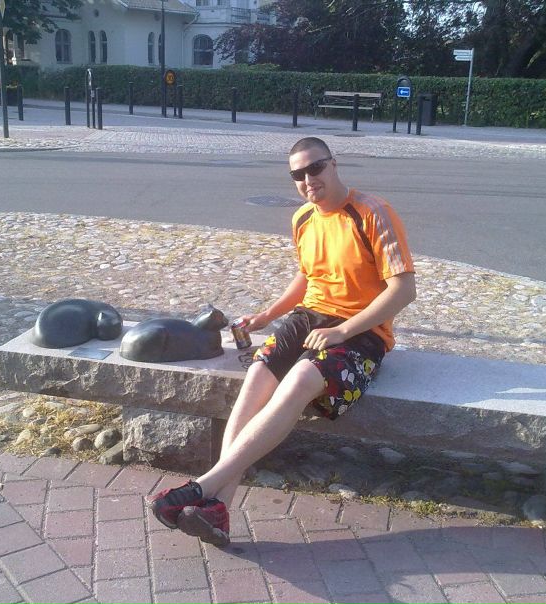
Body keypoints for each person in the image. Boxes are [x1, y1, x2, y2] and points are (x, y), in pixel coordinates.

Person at [149, 136, 416, 546]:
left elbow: (403, 290)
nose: (308, 179)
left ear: (334, 164)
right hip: (309, 317)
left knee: (299, 380)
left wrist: (342, 331)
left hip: (363, 331)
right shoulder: (303, 218)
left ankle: (203, 487)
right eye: (298, 174)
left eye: (316, 168)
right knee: (257, 375)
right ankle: (219, 509)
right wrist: (267, 315)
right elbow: (307, 276)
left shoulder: (372, 213)